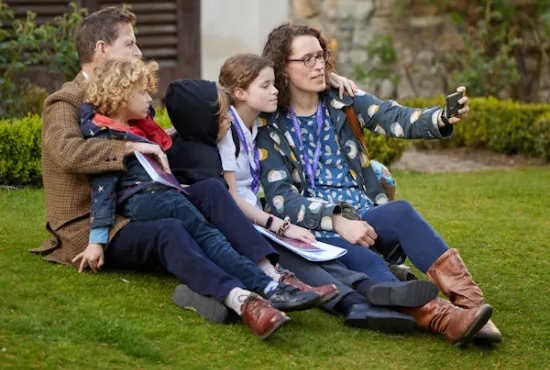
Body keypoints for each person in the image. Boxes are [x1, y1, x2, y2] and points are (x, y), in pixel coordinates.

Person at [33, 6, 297, 340]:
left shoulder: (123, 92)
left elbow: (150, 149)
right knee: (170, 229)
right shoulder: (65, 102)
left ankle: (270, 274)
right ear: (101, 49)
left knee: (211, 190)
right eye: (129, 44)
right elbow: (69, 153)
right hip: (95, 223)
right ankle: (242, 300)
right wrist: (132, 147)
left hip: (137, 200)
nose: (138, 52)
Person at [256, 22, 501, 347]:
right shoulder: (269, 127)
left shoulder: (341, 100)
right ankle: (447, 320)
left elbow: (392, 116)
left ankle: (471, 304)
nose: (319, 65)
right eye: (307, 59)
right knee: (372, 266)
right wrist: (336, 219)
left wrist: (441, 118)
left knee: (400, 212)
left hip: (368, 216)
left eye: (321, 56)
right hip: (319, 235)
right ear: (282, 69)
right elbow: (281, 200)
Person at [165, 73, 440, 333]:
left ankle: (370, 289)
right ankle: (356, 301)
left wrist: (332, 78)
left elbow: (253, 83)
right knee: (296, 258)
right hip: (234, 231)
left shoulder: (229, 128)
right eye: (220, 115)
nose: (274, 90)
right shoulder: (209, 149)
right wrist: (278, 226)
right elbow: (228, 202)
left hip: (247, 222)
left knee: (311, 252)